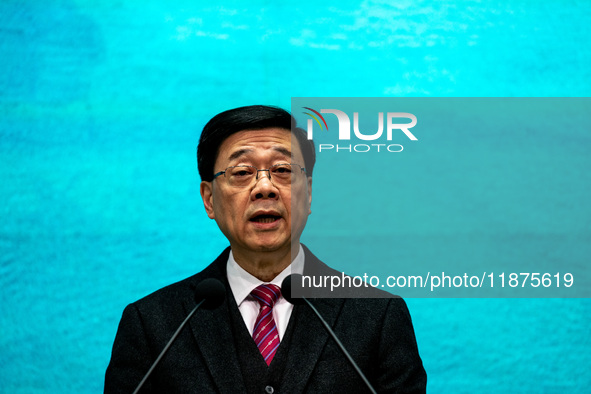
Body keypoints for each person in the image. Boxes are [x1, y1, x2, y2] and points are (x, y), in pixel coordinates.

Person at [105, 105, 427, 393]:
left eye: (283, 170)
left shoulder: (377, 315)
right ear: (209, 199)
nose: (264, 188)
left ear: (309, 193)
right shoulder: (153, 324)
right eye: (242, 172)